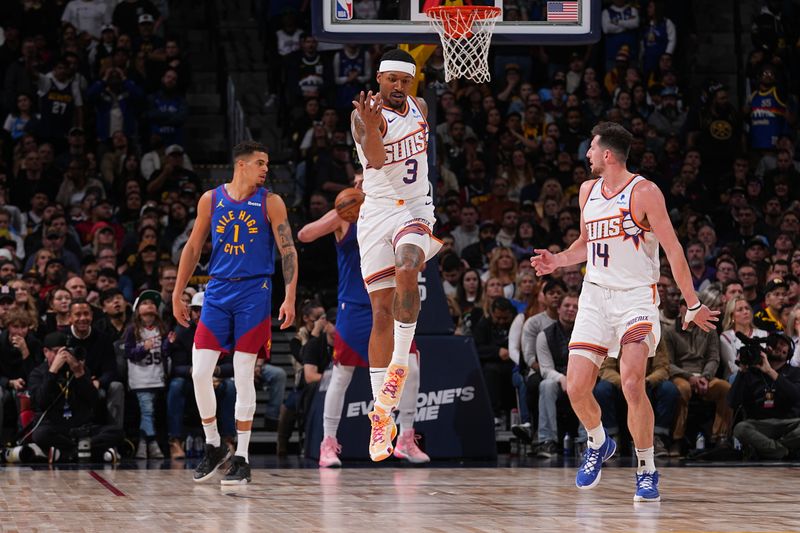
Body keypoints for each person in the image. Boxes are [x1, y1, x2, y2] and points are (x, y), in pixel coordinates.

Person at [531, 122, 718, 502]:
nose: (586, 155)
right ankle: (598, 442)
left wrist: (693, 302)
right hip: (595, 296)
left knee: (633, 383)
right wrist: (558, 261)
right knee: (576, 386)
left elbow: (674, 249)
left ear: (607, 155)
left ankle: (647, 470)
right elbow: (585, 244)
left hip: (635, 298)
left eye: (590, 148)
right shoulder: (587, 191)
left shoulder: (645, 192)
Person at [172, 140, 297, 484]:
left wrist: (290, 296)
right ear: (241, 165)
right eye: (260, 163)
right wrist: (176, 292)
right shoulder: (211, 199)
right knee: (199, 372)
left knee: (244, 374)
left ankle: (241, 455)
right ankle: (213, 444)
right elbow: (194, 246)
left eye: (267, 163)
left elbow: (287, 250)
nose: (265, 169)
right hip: (217, 290)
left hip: (254, 291)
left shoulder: (271, 202)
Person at [350, 48, 441, 461]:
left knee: (409, 265)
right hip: (376, 213)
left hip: (416, 209)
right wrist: (371, 127)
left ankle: (399, 365)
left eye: (405, 81)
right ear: (380, 78)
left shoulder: (420, 107)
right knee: (380, 312)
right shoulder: (361, 116)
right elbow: (375, 159)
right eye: (392, 80)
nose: (399, 87)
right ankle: (381, 416)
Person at [297, 198, 429, 467]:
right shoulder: (345, 218)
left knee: (412, 367)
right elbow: (304, 235)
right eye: (358, 183)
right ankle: (328, 443)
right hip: (355, 306)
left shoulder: (396, 212)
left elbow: (421, 265)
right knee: (342, 374)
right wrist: (341, 211)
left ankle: (405, 437)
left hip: (390, 302)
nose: (363, 187)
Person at [728, 333, 800, 460]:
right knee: (740, 428)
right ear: (767, 348)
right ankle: (783, 452)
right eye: (775, 344)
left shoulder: (795, 372)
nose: (778, 347)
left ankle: (770, 450)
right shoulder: (751, 373)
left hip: (789, 424)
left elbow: (796, 396)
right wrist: (742, 371)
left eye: (783, 345)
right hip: (760, 425)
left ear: (790, 352)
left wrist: (770, 371)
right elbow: (732, 402)